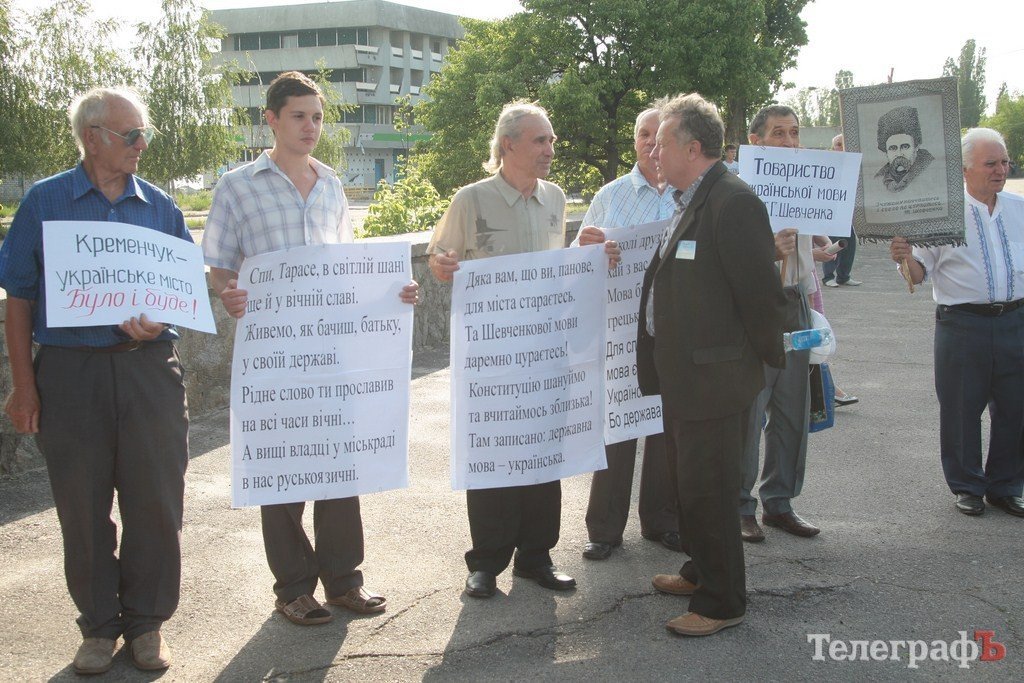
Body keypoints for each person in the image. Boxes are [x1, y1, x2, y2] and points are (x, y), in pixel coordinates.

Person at [203, 72, 419, 626]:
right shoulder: (236, 186)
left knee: (339, 464)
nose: (310, 127)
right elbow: (220, 265)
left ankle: (344, 581)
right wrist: (228, 292)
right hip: (273, 355)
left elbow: (345, 269)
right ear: (271, 119)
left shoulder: (331, 185)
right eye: (299, 116)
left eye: (317, 117)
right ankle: (293, 588)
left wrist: (393, 292)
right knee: (281, 468)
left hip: (332, 351)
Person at [0, 87, 188, 673]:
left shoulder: (160, 206)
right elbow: (19, 297)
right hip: (71, 373)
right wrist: (24, 385)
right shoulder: (45, 201)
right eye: (130, 134)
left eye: (144, 134)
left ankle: (147, 624)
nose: (141, 145)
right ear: (92, 137)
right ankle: (99, 627)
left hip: (148, 370)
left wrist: (158, 320)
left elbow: (182, 292)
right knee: (82, 508)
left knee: (156, 501)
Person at [428, 100, 619, 599]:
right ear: (508, 144)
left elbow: (556, 270)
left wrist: (587, 255)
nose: (550, 148)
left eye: (551, 140)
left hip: (546, 351)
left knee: (543, 452)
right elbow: (439, 258)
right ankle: (486, 563)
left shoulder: (555, 198)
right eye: (540, 140)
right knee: (492, 454)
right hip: (492, 358)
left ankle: (537, 556)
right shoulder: (471, 199)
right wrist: (443, 265)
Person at [637, 93, 786, 636]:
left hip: (715, 381)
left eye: (662, 143)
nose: (653, 152)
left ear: (693, 148)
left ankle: (722, 603)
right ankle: (700, 570)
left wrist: (753, 365)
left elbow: (761, 297)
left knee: (711, 492)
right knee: (690, 486)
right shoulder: (694, 197)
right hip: (686, 376)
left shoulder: (733, 201)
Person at [889, 128, 1024, 518]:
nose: (1001, 170)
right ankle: (967, 485)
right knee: (962, 408)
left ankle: (1006, 486)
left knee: (1016, 408)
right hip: (963, 324)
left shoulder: (1018, 208)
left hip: (1015, 320)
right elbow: (918, 274)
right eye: (990, 163)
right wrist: (904, 257)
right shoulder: (942, 214)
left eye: (1004, 162)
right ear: (964, 169)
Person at [577, 108, 681, 561]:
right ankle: (603, 529)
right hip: (619, 330)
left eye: (659, 135)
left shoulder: (688, 194)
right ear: (634, 140)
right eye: (643, 134)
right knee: (617, 429)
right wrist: (591, 249)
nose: (651, 143)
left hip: (672, 328)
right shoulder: (611, 194)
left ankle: (662, 522)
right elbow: (577, 255)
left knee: (665, 429)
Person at [739, 105, 833, 543]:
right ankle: (741, 506)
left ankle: (780, 501)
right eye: (779, 133)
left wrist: (816, 250)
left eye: (794, 132)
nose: (790, 142)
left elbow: (809, 250)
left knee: (792, 408)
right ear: (755, 141)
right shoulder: (740, 191)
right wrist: (767, 251)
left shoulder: (806, 186)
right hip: (756, 306)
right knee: (750, 409)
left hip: (796, 302)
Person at [823, 134, 862, 289]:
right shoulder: (828, 163)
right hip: (831, 211)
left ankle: (844, 276)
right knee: (832, 245)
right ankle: (828, 277)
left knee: (849, 246)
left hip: (846, 212)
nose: (841, 147)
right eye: (838, 144)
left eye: (844, 144)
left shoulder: (853, 164)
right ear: (833, 147)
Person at [874, 106, 935, 193]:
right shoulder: (880, 179)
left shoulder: (932, 169)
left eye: (905, 147)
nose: (899, 154)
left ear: (916, 147)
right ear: (886, 153)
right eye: (893, 148)